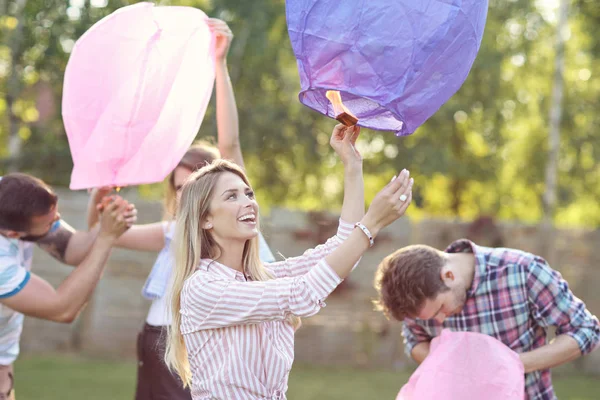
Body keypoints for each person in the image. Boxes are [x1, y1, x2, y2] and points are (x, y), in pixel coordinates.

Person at [86, 18, 275, 400]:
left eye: (194, 188)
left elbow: (231, 143)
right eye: (179, 189)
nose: (185, 198)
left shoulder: (235, 230)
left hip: (194, 348)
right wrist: (98, 194)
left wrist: (219, 65)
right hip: (155, 344)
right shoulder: (172, 231)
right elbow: (96, 237)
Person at [165, 124, 414, 399]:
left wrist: (352, 167)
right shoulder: (202, 288)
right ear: (205, 219)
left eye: (248, 194)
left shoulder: (261, 277)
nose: (248, 202)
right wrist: (371, 224)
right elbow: (303, 294)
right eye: (231, 196)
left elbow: (344, 247)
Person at [374, 240, 600, 400]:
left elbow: (586, 330)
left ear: (449, 276)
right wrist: (454, 364)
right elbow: (414, 342)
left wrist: (511, 364)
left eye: (441, 308)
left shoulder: (523, 271)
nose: (439, 321)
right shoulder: (419, 296)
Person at [0, 173, 136, 400]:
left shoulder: (9, 198)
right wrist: (106, 238)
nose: (58, 219)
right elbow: (61, 309)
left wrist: (101, 205)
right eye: (50, 222)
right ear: (13, 233)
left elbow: (74, 249)